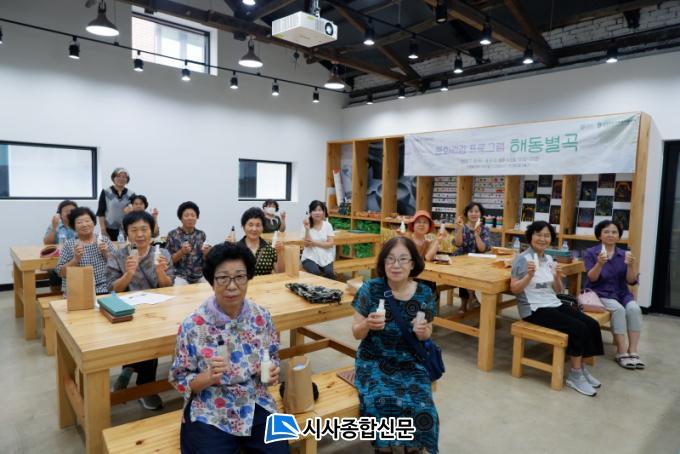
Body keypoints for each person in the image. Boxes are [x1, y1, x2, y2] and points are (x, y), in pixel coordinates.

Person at [169, 242, 287, 454]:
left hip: (256, 400)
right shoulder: (193, 325)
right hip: (211, 408)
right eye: (223, 278)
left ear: (248, 278)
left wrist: (270, 371)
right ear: (211, 281)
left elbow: (272, 356)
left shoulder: (261, 316)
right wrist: (206, 378)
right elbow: (179, 378)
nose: (232, 286)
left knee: (280, 451)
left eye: (240, 277)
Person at [351, 237, 439, 454]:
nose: (396, 265)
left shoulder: (425, 293)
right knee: (379, 401)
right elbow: (356, 333)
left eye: (402, 259)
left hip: (410, 361)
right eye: (390, 259)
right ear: (383, 263)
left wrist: (423, 332)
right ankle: (383, 450)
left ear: (412, 263)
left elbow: (428, 331)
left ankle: (414, 448)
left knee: (422, 406)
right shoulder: (370, 289)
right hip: (374, 359)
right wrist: (367, 324)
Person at [510, 221, 604, 396]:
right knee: (578, 328)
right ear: (530, 237)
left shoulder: (548, 259)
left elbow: (558, 291)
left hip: (553, 303)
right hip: (533, 309)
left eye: (546, 235)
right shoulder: (522, 259)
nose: (542, 239)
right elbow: (514, 289)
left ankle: (581, 368)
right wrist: (529, 276)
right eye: (538, 234)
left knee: (591, 324)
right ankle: (575, 375)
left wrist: (558, 277)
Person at [108, 210, 175, 410]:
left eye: (144, 229)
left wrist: (161, 273)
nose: (140, 234)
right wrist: (128, 274)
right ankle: (145, 387)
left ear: (151, 231)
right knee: (143, 337)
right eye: (134, 230)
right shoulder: (118, 255)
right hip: (127, 310)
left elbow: (168, 286)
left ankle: (134, 375)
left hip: (158, 308)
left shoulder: (162, 254)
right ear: (126, 232)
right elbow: (112, 289)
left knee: (153, 338)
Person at [584, 220, 644, 369]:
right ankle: (621, 352)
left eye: (614, 232)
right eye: (606, 232)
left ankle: (633, 350)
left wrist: (631, 266)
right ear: (599, 235)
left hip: (622, 293)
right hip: (599, 293)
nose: (610, 235)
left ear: (618, 236)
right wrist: (599, 263)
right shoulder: (591, 252)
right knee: (619, 310)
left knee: (634, 309)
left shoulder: (625, 254)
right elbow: (592, 279)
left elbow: (631, 281)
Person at [55, 207, 115, 295]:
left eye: (87, 221)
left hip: (105, 289)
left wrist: (106, 253)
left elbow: (117, 266)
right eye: (79, 222)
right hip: (79, 291)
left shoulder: (104, 240)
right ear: (73, 226)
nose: (84, 225)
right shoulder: (69, 244)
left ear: (93, 222)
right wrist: (75, 259)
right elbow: (60, 272)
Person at [453, 202, 491, 313]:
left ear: (481, 214)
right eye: (471, 211)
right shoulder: (462, 227)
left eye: (476, 211)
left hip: (477, 261)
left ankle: (465, 303)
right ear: (467, 214)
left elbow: (482, 249)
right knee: (464, 271)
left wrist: (476, 235)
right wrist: (459, 229)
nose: (473, 214)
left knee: (469, 271)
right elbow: (458, 244)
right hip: (461, 259)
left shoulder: (484, 229)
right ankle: (471, 298)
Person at [166, 201, 210, 285]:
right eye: (186, 215)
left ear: (197, 217)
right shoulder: (172, 235)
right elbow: (168, 262)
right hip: (179, 276)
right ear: (180, 218)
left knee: (209, 286)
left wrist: (206, 253)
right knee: (178, 288)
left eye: (193, 215)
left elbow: (205, 259)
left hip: (199, 275)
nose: (190, 218)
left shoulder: (201, 234)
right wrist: (181, 252)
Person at [43, 200, 78, 291]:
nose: (69, 213)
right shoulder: (55, 225)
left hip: (76, 256)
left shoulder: (80, 224)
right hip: (58, 258)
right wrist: (54, 228)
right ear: (60, 214)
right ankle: (56, 293)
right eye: (66, 211)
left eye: (72, 211)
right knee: (54, 270)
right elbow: (47, 243)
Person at [238, 207, 284, 275]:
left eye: (258, 225)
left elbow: (280, 272)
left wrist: (279, 253)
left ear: (263, 228)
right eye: (250, 225)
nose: (254, 229)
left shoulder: (270, 248)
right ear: (243, 227)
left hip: (266, 282)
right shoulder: (236, 248)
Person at [97, 167, 136, 240]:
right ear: (113, 178)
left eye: (124, 177)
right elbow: (101, 212)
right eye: (118, 176)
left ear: (127, 179)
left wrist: (132, 209)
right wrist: (103, 230)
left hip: (126, 229)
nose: (121, 179)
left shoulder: (131, 194)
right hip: (109, 229)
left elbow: (136, 211)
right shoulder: (106, 192)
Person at [301, 200, 336, 279]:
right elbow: (306, 244)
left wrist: (314, 242)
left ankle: (328, 287)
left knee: (329, 273)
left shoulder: (328, 225)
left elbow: (330, 244)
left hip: (325, 257)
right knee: (315, 272)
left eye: (320, 210)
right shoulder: (306, 224)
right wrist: (307, 229)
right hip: (309, 257)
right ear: (310, 213)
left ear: (323, 212)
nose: (317, 213)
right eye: (314, 210)